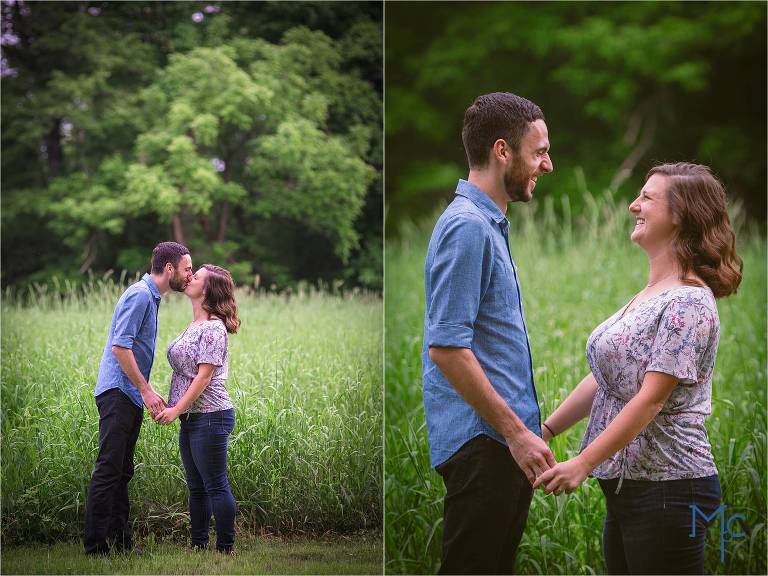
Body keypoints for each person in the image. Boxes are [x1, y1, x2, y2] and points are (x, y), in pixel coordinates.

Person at [534, 163, 743, 574]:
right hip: (632, 491)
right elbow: (607, 378)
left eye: (647, 197)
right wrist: (545, 431)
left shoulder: (688, 303)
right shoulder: (652, 294)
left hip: (670, 490)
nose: (633, 206)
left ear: (680, 215)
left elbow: (650, 400)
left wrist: (582, 463)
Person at [422, 92, 555, 575]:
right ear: (503, 151)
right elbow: (447, 348)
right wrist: (515, 433)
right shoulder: (468, 227)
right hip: (485, 445)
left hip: (500, 445)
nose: (548, 164)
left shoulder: (487, 224)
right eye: (539, 151)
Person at [84, 241, 192, 555]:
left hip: (129, 394)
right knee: (108, 468)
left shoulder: (151, 298)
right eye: (186, 269)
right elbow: (120, 346)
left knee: (122, 470)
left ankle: (120, 542)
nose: (189, 275)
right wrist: (145, 389)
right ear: (169, 268)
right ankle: (96, 547)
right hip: (118, 392)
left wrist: (142, 390)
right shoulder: (140, 295)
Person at [155, 264, 240, 554]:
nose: (189, 277)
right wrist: (174, 406)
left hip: (212, 416)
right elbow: (186, 373)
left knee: (215, 485)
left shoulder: (214, 329)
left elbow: (203, 377)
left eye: (197, 276)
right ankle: (199, 545)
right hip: (192, 416)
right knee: (197, 487)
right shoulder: (194, 326)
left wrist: (176, 409)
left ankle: (226, 548)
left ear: (207, 289)